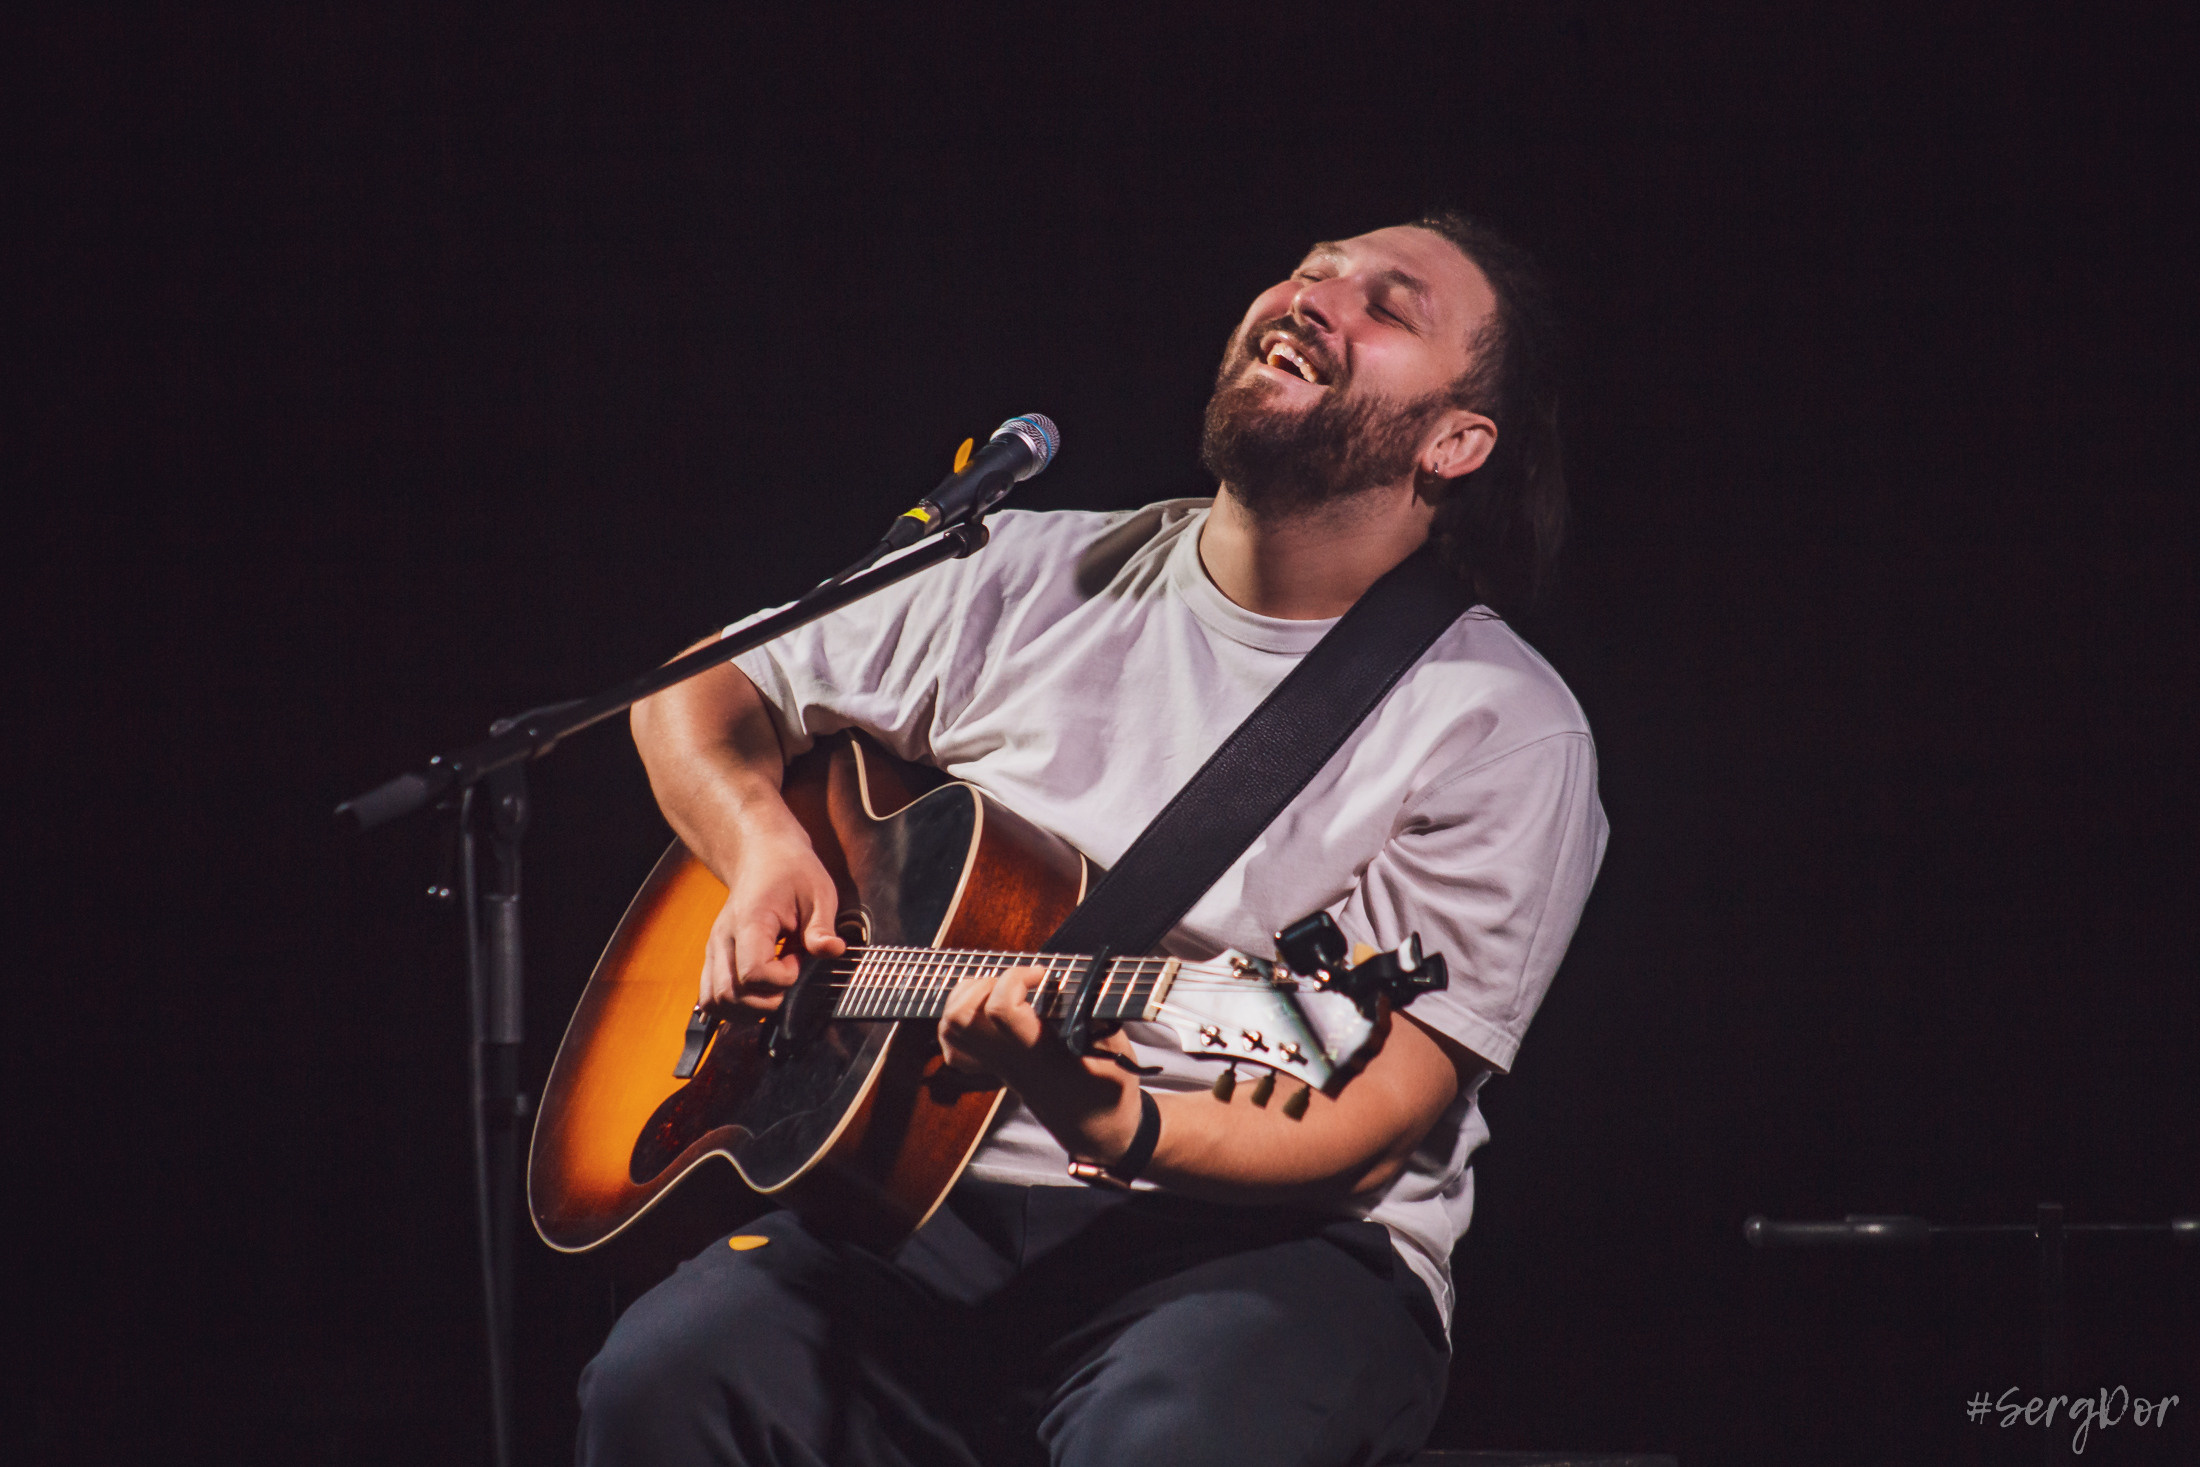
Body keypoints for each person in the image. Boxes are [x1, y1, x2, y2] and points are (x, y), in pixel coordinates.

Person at [582, 212, 1608, 1466]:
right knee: (664, 1380)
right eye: (1310, 268)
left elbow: (1377, 1101)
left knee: (1165, 1439)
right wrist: (761, 854)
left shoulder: (1498, 724)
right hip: (912, 1205)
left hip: (1263, 1252)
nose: (1311, 297)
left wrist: (1108, 1118)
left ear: (1457, 441)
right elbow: (700, 686)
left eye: (1386, 307)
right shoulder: (1020, 567)